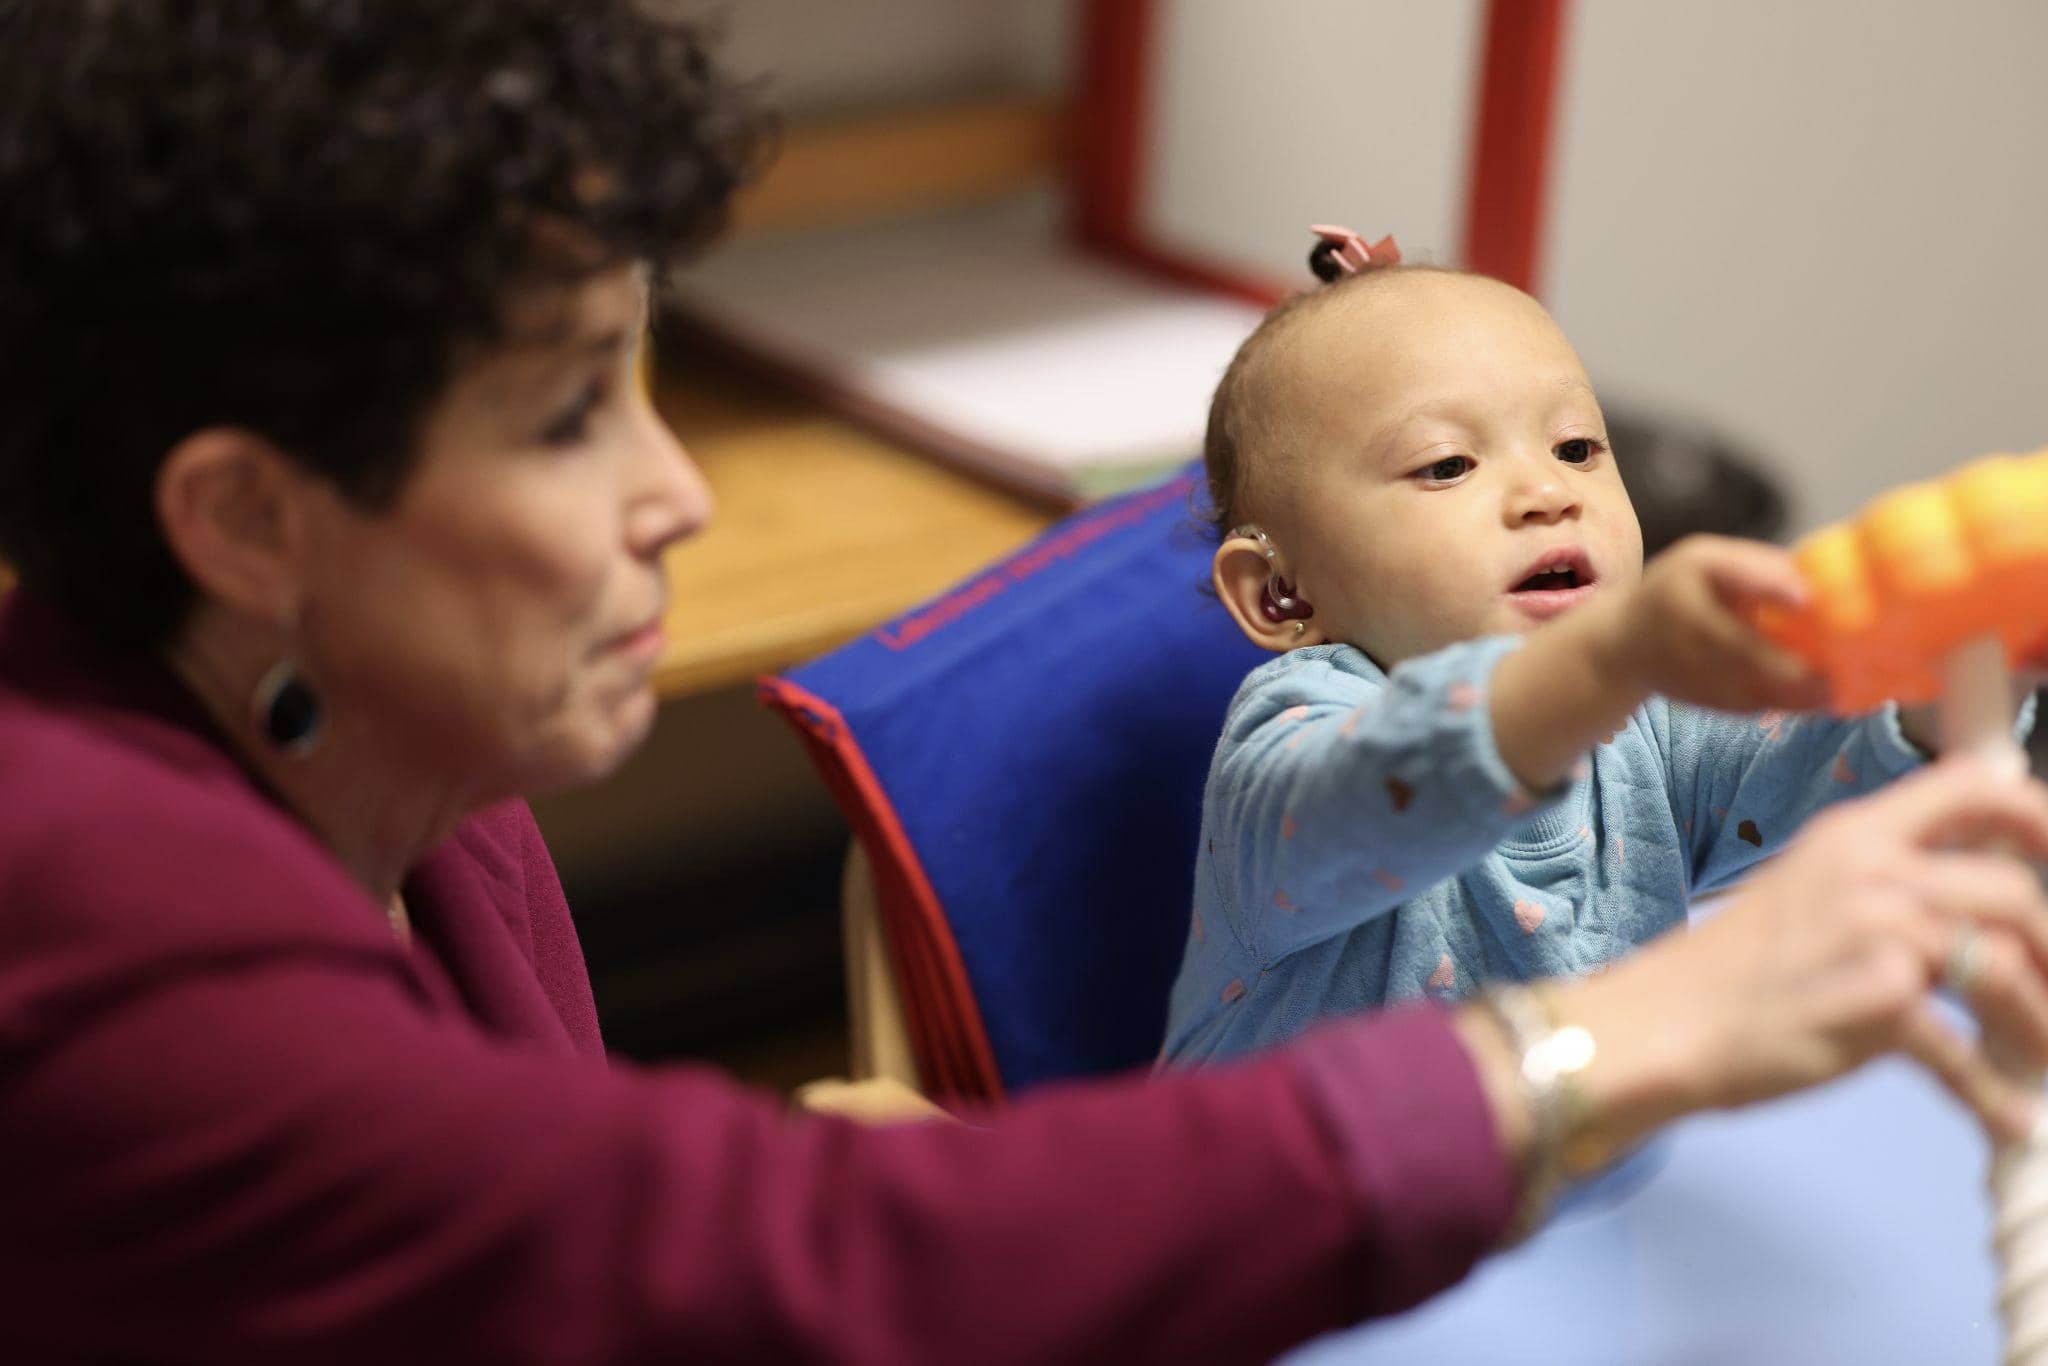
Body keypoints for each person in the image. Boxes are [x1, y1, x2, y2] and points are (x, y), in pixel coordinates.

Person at [1, 4, 2046, 1362]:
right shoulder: (102, 927)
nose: (678, 488)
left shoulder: (451, 807)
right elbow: (683, 1250)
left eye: (646, 380)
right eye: (564, 419)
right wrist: (1641, 1017)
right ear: (248, 519)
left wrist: (1925, 702)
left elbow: (621, 1225)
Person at [1161, 230, 2030, 1065]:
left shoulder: (1641, 720)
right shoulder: (1294, 731)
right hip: (1293, 1210)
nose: (1548, 491)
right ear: (1284, 593)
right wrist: (1614, 657)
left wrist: (1965, 659)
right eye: (1446, 464)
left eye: (1577, 447)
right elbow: (1368, 799)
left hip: (1564, 1187)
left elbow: (1829, 752)